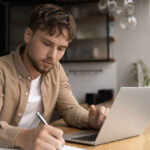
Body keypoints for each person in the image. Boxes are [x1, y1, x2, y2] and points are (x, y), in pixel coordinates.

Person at [0, 3, 109, 150]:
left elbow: (70, 109)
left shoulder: (56, 70)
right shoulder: (2, 70)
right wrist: (23, 137)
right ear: (28, 35)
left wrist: (90, 119)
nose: (53, 56)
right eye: (46, 43)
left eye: (61, 48)